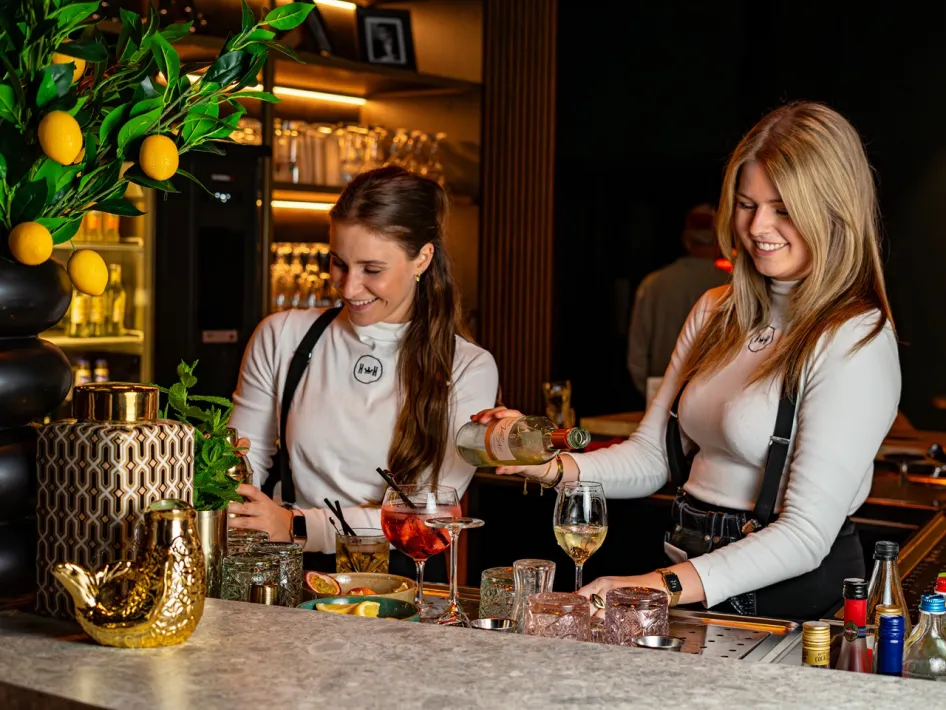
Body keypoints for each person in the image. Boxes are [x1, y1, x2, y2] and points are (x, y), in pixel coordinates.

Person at [472, 101, 901, 620]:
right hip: (691, 582)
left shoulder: (854, 337)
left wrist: (654, 587)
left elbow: (805, 536)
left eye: (783, 208)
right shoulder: (716, 311)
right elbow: (652, 459)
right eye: (746, 204)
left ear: (834, 210)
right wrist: (543, 463)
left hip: (787, 603)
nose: (758, 226)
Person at [228, 166, 499, 574]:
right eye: (338, 263)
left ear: (422, 258)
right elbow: (239, 463)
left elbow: (429, 515)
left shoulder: (468, 368)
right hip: (287, 568)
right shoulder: (282, 336)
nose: (349, 287)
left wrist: (296, 525)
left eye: (372, 270)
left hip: (405, 578)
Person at [627, 204, 730, 400]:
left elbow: (637, 356)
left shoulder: (653, 284)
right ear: (719, 242)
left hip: (658, 392)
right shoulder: (730, 285)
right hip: (713, 398)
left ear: (686, 241)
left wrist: (655, 394)